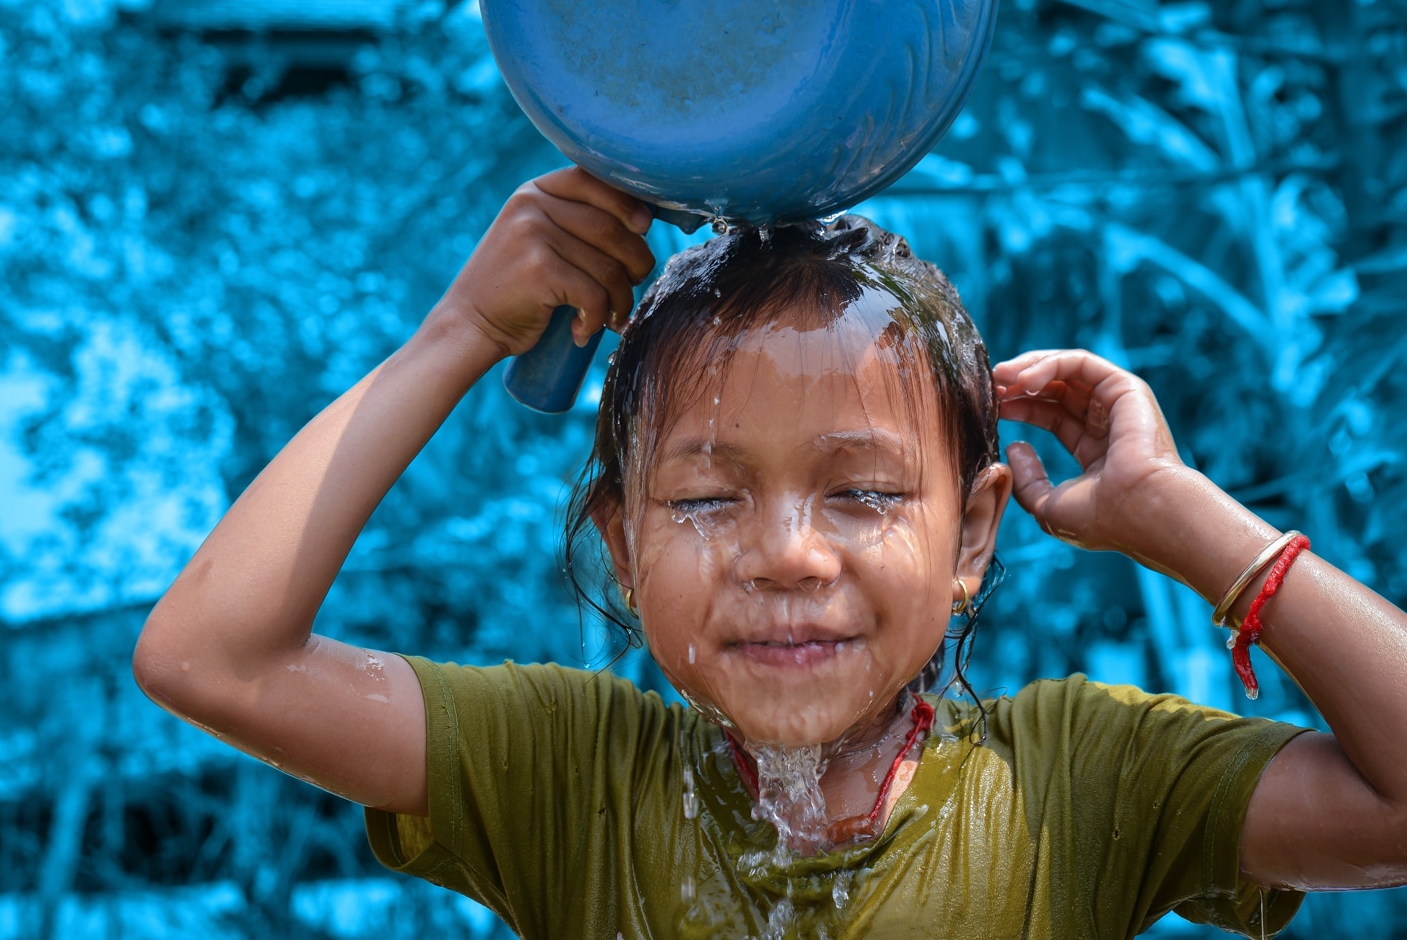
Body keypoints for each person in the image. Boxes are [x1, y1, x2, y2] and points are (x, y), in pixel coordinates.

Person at [132, 168, 1407, 940]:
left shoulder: (1083, 780)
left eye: (859, 491)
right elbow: (212, 658)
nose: (786, 554)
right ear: (623, 550)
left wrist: (1183, 515)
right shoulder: (569, 777)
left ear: (969, 534)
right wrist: (459, 330)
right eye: (704, 500)